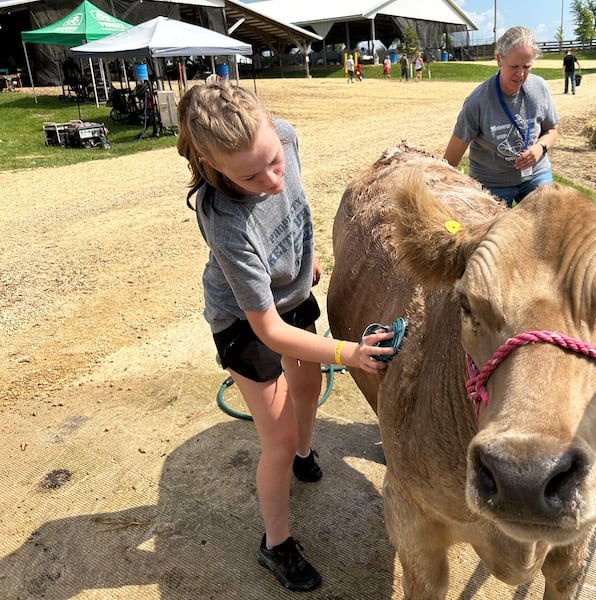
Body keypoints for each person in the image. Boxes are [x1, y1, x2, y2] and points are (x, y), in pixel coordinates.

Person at [176, 81, 395, 592]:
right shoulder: (225, 221)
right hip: (246, 320)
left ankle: (305, 454)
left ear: (274, 128)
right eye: (249, 175)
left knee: (306, 391)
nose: (272, 180)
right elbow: (268, 330)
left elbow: (292, 202)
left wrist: (304, 257)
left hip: (294, 292)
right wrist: (349, 354)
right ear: (212, 167)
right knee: (275, 439)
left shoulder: (286, 137)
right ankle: (275, 543)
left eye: (273, 161)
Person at [443, 26, 559, 208]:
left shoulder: (540, 88)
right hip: (492, 182)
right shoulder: (477, 102)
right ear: (499, 60)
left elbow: (552, 130)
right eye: (514, 67)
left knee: (549, 226)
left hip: (536, 174)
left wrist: (539, 148)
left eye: (526, 67)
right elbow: (450, 159)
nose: (521, 74)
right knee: (493, 234)